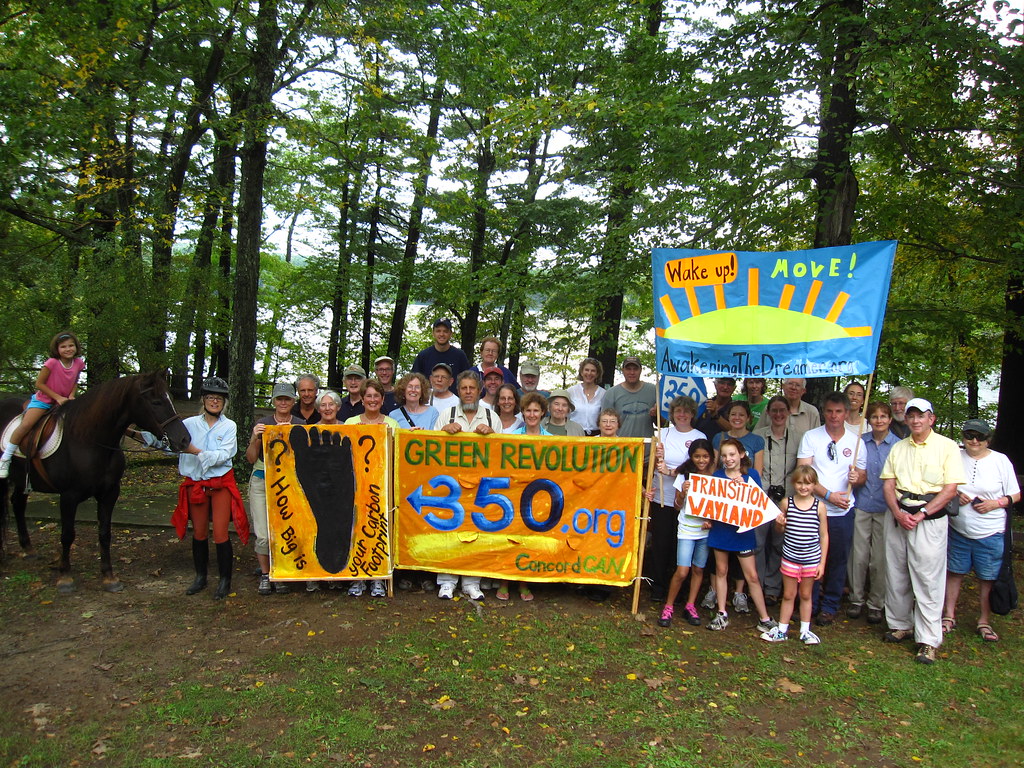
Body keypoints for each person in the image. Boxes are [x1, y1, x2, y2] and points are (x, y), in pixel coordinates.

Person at [880, 398, 965, 664]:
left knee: (928, 579)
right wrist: (897, 512)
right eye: (911, 416)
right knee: (896, 572)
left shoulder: (947, 447)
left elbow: (950, 489)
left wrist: (922, 514)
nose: (916, 420)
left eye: (921, 416)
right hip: (899, 515)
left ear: (932, 418)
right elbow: (888, 484)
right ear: (906, 419)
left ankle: (928, 639)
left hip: (930, 518)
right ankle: (900, 623)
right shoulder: (898, 447)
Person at [942, 418, 1020, 643]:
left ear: (988, 439)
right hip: (959, 529)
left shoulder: (1000, 461)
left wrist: (996, 503)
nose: (974, 441)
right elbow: (943, 484)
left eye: (980, 437)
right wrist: (955, 494)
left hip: (991, 530)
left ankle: (984, 620)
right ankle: (949, 616)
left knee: (988, 577)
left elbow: (1015, 494)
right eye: (969, 436)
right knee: (954, 573)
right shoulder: (955, 456)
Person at [171, 377, 248, 600]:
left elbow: (225, 454)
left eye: (219, 398)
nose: (215, 402)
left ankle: (225, 579)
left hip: (219, 484)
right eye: (211, 398)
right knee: (200, 531)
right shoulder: (189, 424)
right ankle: (200, 576)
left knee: (222, 533)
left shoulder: (229, 426)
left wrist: (196, 452)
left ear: (224, 402)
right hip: (196, 484)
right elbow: (175, 444)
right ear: (203, 400)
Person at [796, 391, 866, 626]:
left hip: (843, 512)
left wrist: (858, 477)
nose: (834, 416)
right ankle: (810, 603)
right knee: (810, 558)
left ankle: (830, 606)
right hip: (814, 509)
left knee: (837, 559)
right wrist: (827, 495)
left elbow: (863, 475)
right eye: (829, 411)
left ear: (847, 413)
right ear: (823, 412)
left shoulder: (856, 441)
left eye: (838, 411)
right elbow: (803, 473)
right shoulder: (811, 437)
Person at [433, 372, 497, 599]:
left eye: (472, 388)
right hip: (451, 485)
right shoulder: (445, 415)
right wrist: (443, 433)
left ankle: (472, 581)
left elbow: (502, 453)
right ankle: (447, 581)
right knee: (448, 530)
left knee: (477, 530)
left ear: (480, 390)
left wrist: (491, 435)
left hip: (481, 487)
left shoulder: (491, 417)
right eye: (464, 388)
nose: (468, 392)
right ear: (458, 391)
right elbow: (431, 451)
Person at [705, 438, 776, 634]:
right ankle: (721, 613)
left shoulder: (751, 475)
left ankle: (764, 618)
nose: (728, 459)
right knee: (721, 570)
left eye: (732, 454)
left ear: (742, 454)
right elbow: (711, 505)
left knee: (752, 575)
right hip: (721, 530)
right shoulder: (717, 476)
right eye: (725, 455)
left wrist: (743, 486)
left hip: (743, 532)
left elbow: (758, 503)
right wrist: (708, 519)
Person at [245, 383, 305, 596]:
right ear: (273, 401)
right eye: (279, 398)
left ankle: (280, 572)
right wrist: (255, 438)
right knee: (262, 532)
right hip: (262, 479)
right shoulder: (263, 423)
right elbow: (250, 458)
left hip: (289, 482)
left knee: (285, 528)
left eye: (287, 399)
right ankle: (265, 574)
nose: (283, 402)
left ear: (293, 401)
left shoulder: (301, 423)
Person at [1, 331, 86, 478]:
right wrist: (57, 397)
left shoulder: (78, 363)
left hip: (65, 401)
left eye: (71, 345)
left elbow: (75, 381)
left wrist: (71, 396)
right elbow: (39, 384)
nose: (68, 349)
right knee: (26, 424)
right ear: (57, 349)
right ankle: (6, 457)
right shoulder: (51, 363)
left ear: (76, 346)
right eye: (63, 347)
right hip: (44, 401)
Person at [760, 465, 829, 645]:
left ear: (814, 485)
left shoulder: (820, 506)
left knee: (806, 595)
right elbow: (779, 529)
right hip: (790, 557)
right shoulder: (786, 503)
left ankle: (805, 631)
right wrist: (780, 524)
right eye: (799, 483)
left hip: (811, 559)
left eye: (807, 484)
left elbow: (824, 535)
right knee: (789, 594)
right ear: (794, 483)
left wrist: (821, 563)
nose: (803, 487)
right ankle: (782, 629)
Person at [344, 379, 398, 599]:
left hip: (382, 485)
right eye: (369, 396)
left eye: (377, 396)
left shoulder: (392, 424)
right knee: (356, 529)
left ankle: (378, 577)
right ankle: (357, 576)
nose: (373, 400)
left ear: (382, 399)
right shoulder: (350, 422)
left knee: (380, 529)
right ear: (362, 399)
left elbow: (396, 454)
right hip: (356, 485)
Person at [648, 396, 707, 601]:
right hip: (662, 498)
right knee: (660, 543)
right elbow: (650, 464)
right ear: (672, 414)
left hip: (686, 502)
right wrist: (657, 458)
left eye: (686, 411)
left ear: (692, 414)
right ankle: (658, 585)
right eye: (678, 411)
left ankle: (679, 588)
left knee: (679, 544)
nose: (682, 415)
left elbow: (699, 466)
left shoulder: (700, 436)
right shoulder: (662, 434)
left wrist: (672, 471)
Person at [846, 401, 898, 624]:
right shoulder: (860, 443)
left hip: (886, 507)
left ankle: (876, 602)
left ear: (890, 419)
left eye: (883, 417)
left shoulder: (897, 445)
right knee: (858, 556)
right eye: (874, 417)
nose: (879, 421)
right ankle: (856, 599)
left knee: (879, 559)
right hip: (862, 504)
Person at [656, 439, 715, 628]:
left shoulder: (716, 477)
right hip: (687, 528)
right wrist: (682, 492)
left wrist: (711, 521)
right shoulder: (685, 475)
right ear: (691, 457)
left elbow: (720, 506)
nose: (701, 460)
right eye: (697, 456)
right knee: (682, 571)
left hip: (705, 531)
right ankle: (668, 606)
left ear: (711, 458)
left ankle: (690, 605)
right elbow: (676, 506)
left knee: (698, 569)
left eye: (705, 456)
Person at [754, 395, 804, 606]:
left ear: (788, 412)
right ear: (768, 412)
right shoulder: (757, 437)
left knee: (778, 544)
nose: (778, 414)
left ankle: (772, 589)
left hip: (786, 499)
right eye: (773, 410)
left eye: (782, 410)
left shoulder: (799, 437)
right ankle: (755, 586)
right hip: (760, 497)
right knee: (757, 544)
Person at [601, 356, 657, 438]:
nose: (632, 372)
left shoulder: (654, 391)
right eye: (628, 369)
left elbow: (662, 424)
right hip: (621, 448)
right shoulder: (611, 393)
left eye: (635, 369)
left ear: (641, 370)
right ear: (623, 370)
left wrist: (657, 413)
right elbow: (604, 426)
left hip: (646, 446)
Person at [411, 318, 470, 390]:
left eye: (445, 331)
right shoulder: (423, 356)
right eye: (438, 331)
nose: (441, 334)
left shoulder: (460, 356)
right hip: (428, 400)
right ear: (433, 333)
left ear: (451, 334)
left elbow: (468, 381)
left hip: (454, 400)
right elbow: (413, 381)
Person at [712, 401, 765, 474]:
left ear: (748, 418)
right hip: (723, 483)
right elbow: (713, 468)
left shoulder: (757, 440)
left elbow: (758, 473)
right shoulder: (719, 438)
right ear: (728, 417)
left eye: (741, 415)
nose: (737, 418)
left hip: (746, 483)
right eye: (733, 414)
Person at [756, 378, 821, 433]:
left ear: (803, 391)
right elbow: (757, 434)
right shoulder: (771, 408)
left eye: (798, 385)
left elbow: (817, 440)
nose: (793, 388)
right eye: (790, 384)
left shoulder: (812, 412)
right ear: (783, 386)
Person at [568, 357, 605, 435]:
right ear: (581, 372)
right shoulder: (571, 391)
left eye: (593, 371)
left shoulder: (603, 394)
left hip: (596, 436)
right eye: (586, 370)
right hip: (574, 435)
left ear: (597, 374)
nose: (589, 373)